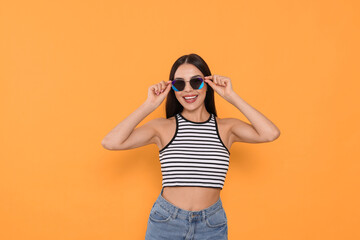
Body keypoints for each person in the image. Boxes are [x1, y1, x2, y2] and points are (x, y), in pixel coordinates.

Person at [101, 53, 281, 239]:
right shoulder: (163, 128)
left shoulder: (226, 128)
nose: (188, 90)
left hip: (212, 224)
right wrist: (149, 105)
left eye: (196, 82)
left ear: (208, 84)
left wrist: (231, 96)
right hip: (166, 222)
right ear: (173, 89)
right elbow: (111, 142)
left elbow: (270, 133)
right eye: (180, 84)